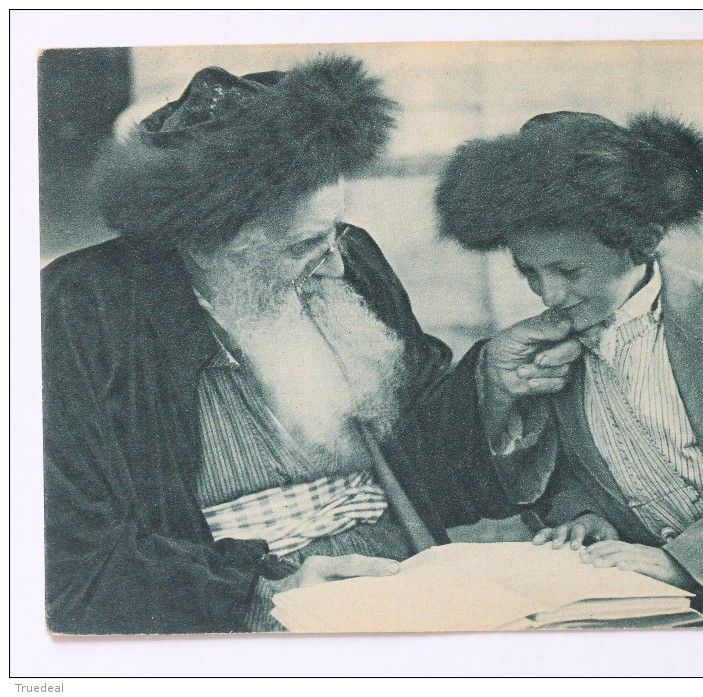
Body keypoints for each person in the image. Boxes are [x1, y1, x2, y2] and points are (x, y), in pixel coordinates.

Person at [42, 57, 579, 634]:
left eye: (337, 232)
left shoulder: (350, 259)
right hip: (237, 618)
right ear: (213, 241)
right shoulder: (82, 307)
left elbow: (426, 455)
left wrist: (491, 385)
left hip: (412, 580)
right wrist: (264, 591)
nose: (335, 263)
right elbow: (70, 563)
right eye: (304, 244)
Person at [434, 110, 703, 624]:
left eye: (567, 270)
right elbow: (572, 475)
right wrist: (585, 517)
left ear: (637, 241)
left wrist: (681, 562)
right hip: (654, 612)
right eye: (529, 272)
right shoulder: (556, 348)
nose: (549, 294)